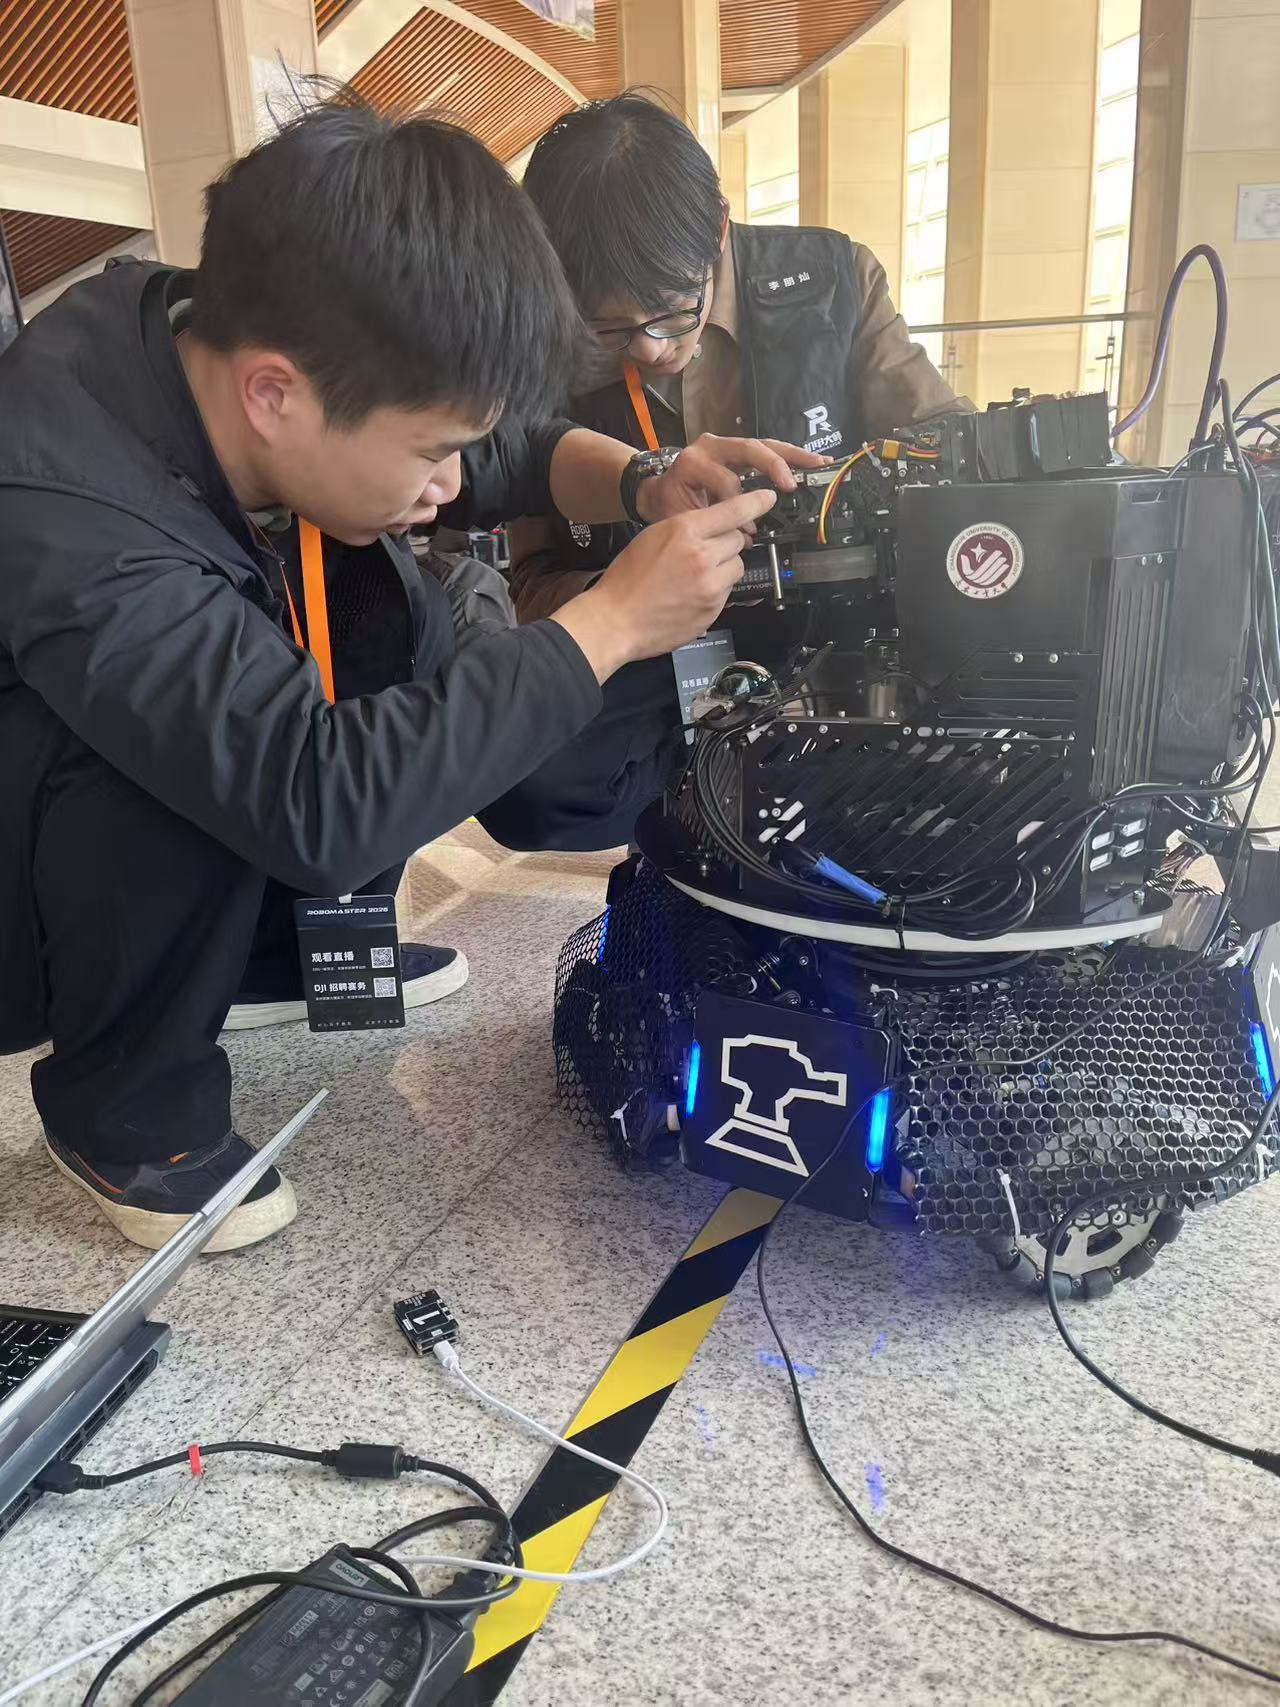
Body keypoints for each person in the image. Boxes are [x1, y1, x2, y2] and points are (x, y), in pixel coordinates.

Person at [0, 96, 811, 1253]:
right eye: (430, 453)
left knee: (390, 595)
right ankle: (121, 1108)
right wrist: (609, 623)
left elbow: (495, 444)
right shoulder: (78, 515)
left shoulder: (250, 335)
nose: (451, 484)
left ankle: (266, 961)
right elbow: (311, 794)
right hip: (23, 875)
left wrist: (645, 477)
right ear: (273, 396)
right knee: (182, 743)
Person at [482, 92, 971, 854]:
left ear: (717, 228)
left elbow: (948, 455)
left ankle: (770, 785)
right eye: (609, 330)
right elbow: (531, 580)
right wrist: (628, 594)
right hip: (659, 650)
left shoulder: (835, 282)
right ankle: (716, 789)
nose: (649, 349)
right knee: (524, 787)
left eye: (672, 311)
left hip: (836, 640)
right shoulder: (546, 342)